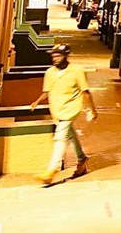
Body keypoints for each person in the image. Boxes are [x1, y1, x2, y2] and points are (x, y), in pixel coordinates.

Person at [31, 43, 95, 186]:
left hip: (71, 109)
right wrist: (37, 102)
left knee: (60, 137)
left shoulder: (77, 71)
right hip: (57, 110)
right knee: (70, 134)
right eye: (53, 56)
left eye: (58, 55)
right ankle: (82, 159)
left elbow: (85, 91)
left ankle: (51, 171)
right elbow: (47, 91)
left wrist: (92, 110)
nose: (55, 58)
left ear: (65, 56)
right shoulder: (50, 73)